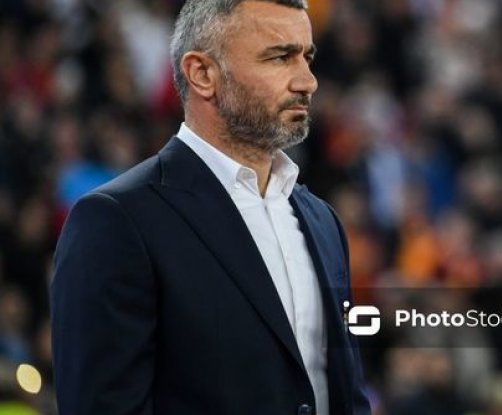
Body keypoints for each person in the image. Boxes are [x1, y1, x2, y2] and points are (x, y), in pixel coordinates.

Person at [50, 1, 371, 414]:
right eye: (279, 57)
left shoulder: (323, 222)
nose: (307, 81)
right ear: (202, 73)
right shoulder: (116, 221)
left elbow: (346, 395)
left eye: (307, 58)